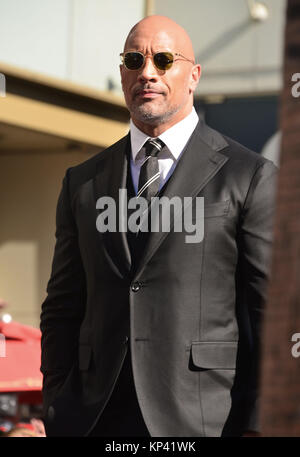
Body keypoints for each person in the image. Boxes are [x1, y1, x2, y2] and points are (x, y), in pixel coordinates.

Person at [40, 15, 277, 437]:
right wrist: (58, 406)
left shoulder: (249, 176)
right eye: (135, 59)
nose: (147, 72)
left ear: (194, 76)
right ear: (121, 72)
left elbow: (271, 318)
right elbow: (62, 308)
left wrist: (259, 427)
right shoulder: (83, 182)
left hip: (203, 421)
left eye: (164, 59)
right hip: (96, 421)